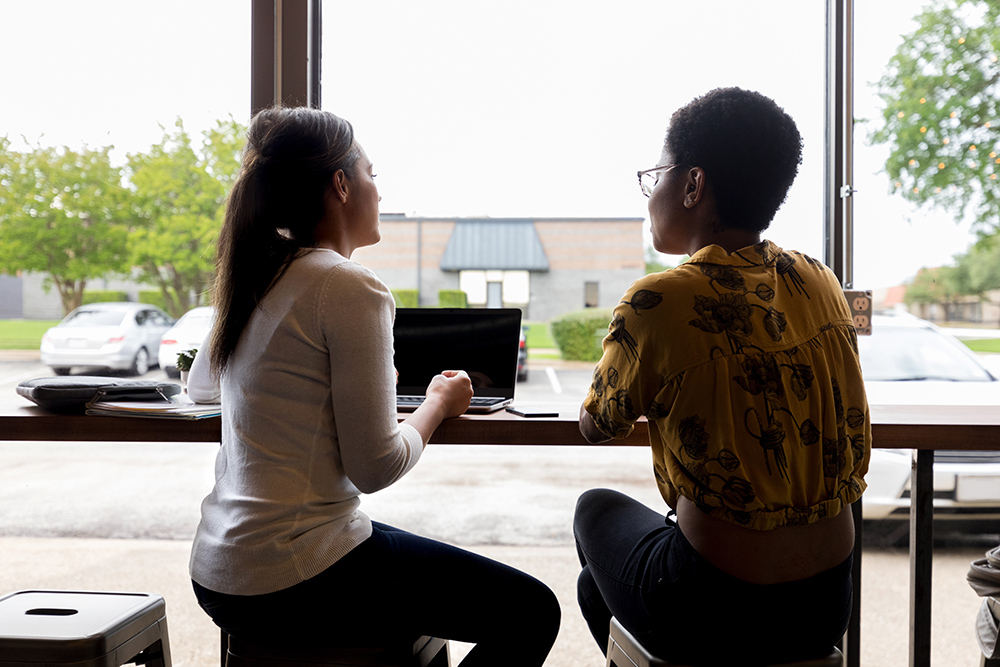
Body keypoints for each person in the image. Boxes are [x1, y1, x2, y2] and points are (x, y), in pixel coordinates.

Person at [187, 106, 559, 667]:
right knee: (532, 611)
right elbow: (375, 467)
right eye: (371, 174)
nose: (379, 192)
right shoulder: (346, 284)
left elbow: (201, 389)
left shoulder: (258, 273)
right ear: (340, 185)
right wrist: (436, 403)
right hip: (293, 577)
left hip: (219, 569)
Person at [574, 87, 870, 666]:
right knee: (599, 591)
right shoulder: (819, 280)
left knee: (594, 509)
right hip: (825, 604)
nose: (649, 192)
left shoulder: (661, 299)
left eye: (656, 173)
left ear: (693, 185)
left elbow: (598, 425)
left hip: (716, 603)